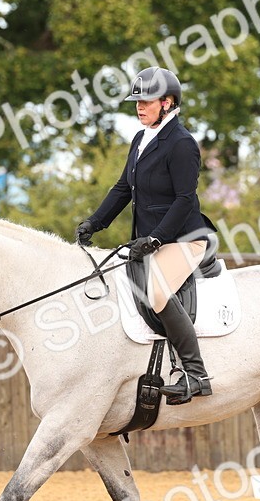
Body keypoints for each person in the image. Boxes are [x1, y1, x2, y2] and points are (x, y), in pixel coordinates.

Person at [76, 67, 217, 405]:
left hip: (185, 238)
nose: (139, 107)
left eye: (146, 101)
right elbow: (124, 188)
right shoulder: (141, 139)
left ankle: (195, 374)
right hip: (149, 240)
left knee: (156, 291)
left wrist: (154, 239)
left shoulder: (181, 144)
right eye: (136, 101)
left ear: (167, 103)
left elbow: (185, 200)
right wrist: (95, 223)